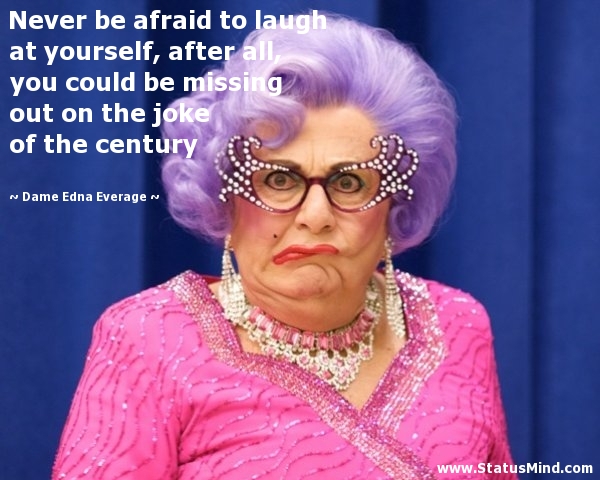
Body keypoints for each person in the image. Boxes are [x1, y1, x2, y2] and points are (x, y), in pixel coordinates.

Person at [53, 14, 516, 480]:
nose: (315, 215)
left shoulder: (457, 325)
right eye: (278, 180)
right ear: (223, 198)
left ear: (395, 204)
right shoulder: (148, 339)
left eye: (350, 182)